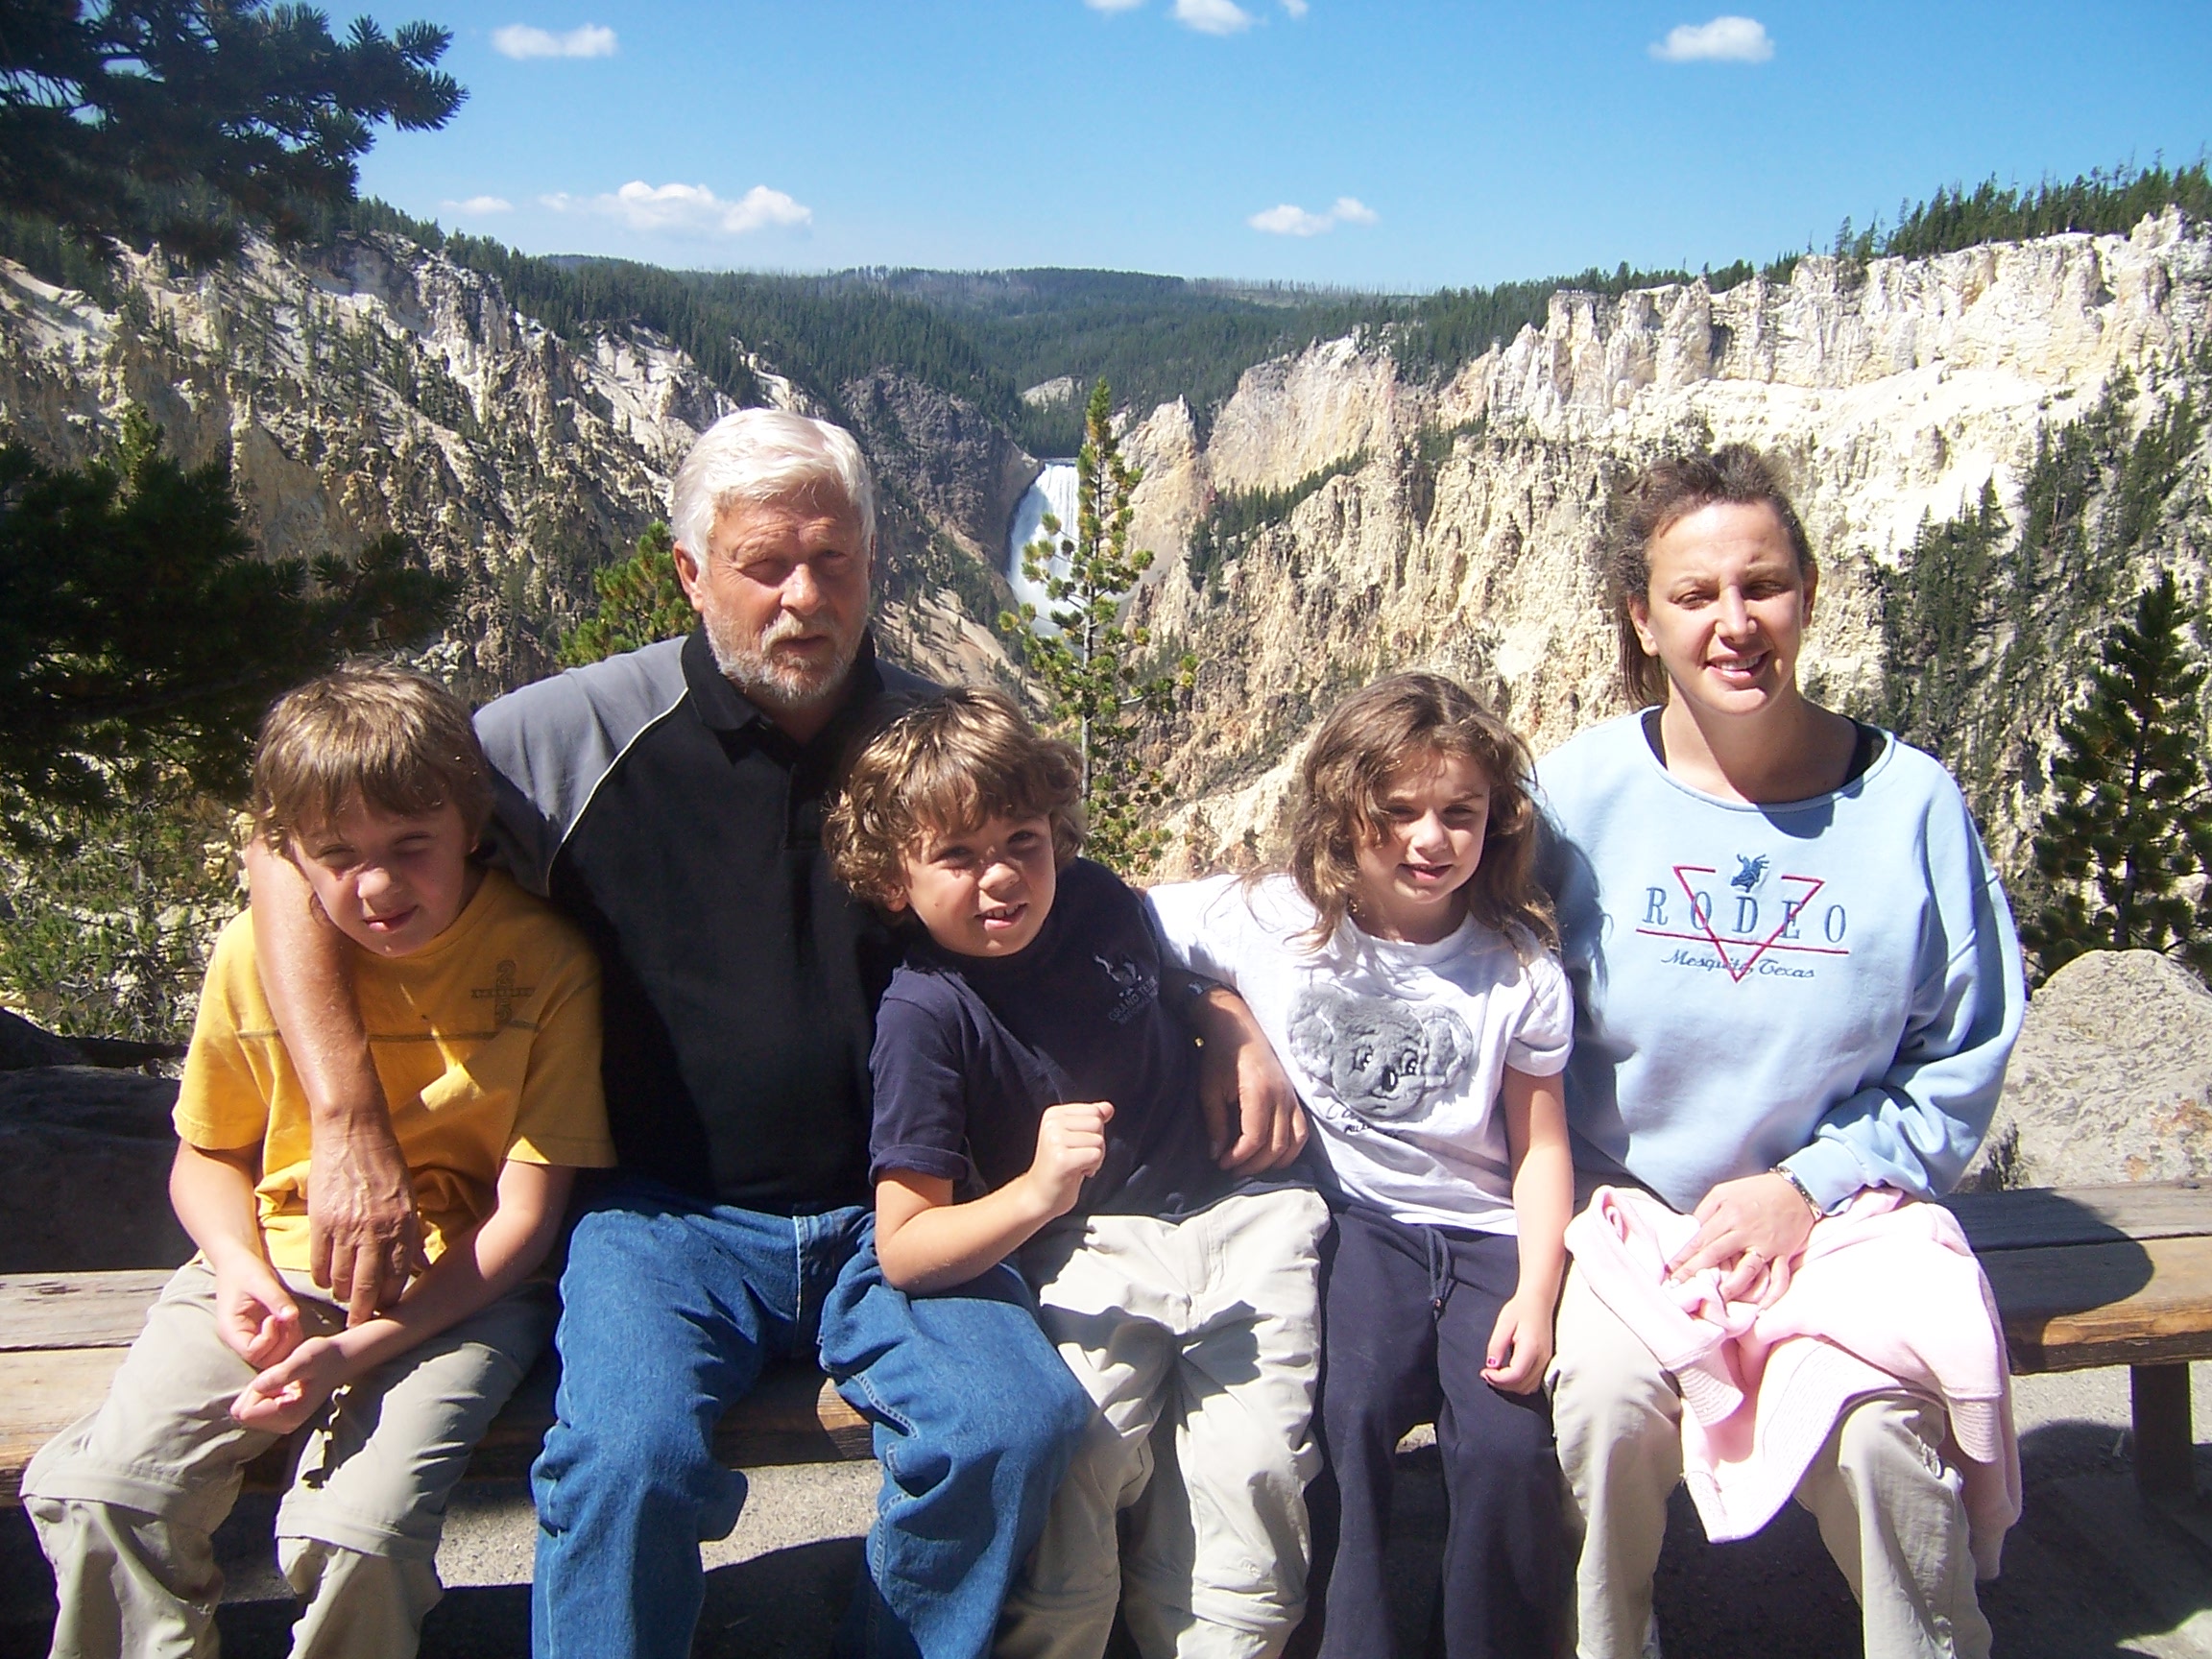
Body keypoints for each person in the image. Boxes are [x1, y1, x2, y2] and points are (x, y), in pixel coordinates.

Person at [242, 408, 1306, 1659]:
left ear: (872, 562)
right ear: (691, 573)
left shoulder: (928, 748)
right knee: (623, 1461)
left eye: (834, 560)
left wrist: (1220, 1012)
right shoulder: (571, 740)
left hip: (896, 1207)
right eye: (764, 566)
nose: (805, 598)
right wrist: (349, 1113)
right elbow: (286, 841)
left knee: (1010, 1425)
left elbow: (1078, 916)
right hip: (660, 1216)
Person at [1536, 445, 2027, 1659]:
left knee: (1880, 1441)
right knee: (1603, 1407)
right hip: (1634, 1217)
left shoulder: (1909, 804)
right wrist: (1233, 1010)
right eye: (1696, 596)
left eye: (1763, 585)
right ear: (1641, 620)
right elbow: (1455, 960)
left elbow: (1963, 1050)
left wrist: (1809, 1185)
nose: (1735, 623)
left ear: (1809, 591)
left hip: (1845, 1212)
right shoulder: (1575, 797)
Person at [25, 666, 614, 1659]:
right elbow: (207, 1155)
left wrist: (357, 1350)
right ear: (287, 855)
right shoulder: (254, 957)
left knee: (361, 1536)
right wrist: (241, 1269)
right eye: (338, 857)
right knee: (106, 1491)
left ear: (470, 827)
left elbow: (524, 1218)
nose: (377, 886)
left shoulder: (543, 964)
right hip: (275, 1267)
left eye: (410, 848)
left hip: (453, 1288)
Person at [825, 688, 1330, 1659]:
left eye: (1022, 840)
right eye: (958, 858)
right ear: (895, 881)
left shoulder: (1096, 897)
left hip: (1239, 1215)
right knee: (1083, 1461)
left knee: (1256, 1471)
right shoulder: (927, 1016)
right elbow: (905, 1247)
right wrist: (1032, 1194)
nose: (1001, 878)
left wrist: (1226, 1012)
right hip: (1086, 1245)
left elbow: (1171, 976)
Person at [1146, 672, 1575, 1659]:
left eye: (1460, 814)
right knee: (1342, 1410)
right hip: (1359, 1222)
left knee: (1510, 1449)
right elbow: (1119, 922)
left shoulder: (1516, 970)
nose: (1432, 840)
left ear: (1495, 823)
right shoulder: (1272, 919)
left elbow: (1541, 1145)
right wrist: (1222, 1017)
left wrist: (1540, 1293)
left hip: (1486, 1237)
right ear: (1344, 814)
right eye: (1400, 812)